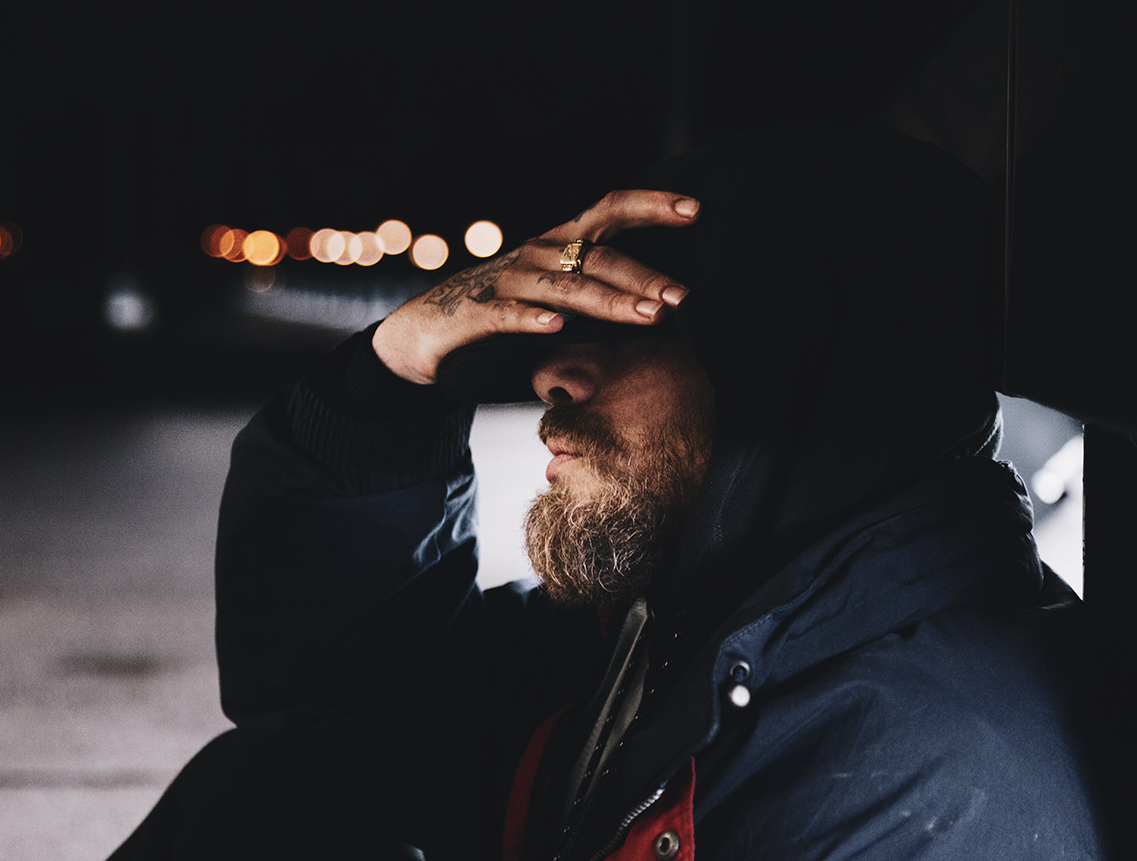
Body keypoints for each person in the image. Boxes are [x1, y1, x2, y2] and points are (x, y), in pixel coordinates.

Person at [112, 123, 1103, 860]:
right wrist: (390, 373)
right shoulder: (674, 626)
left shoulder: (927, 781)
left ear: (794, 374)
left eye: (639, 327)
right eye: (565, 325)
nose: (550, 376)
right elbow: (330, 720)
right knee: (257, 803)